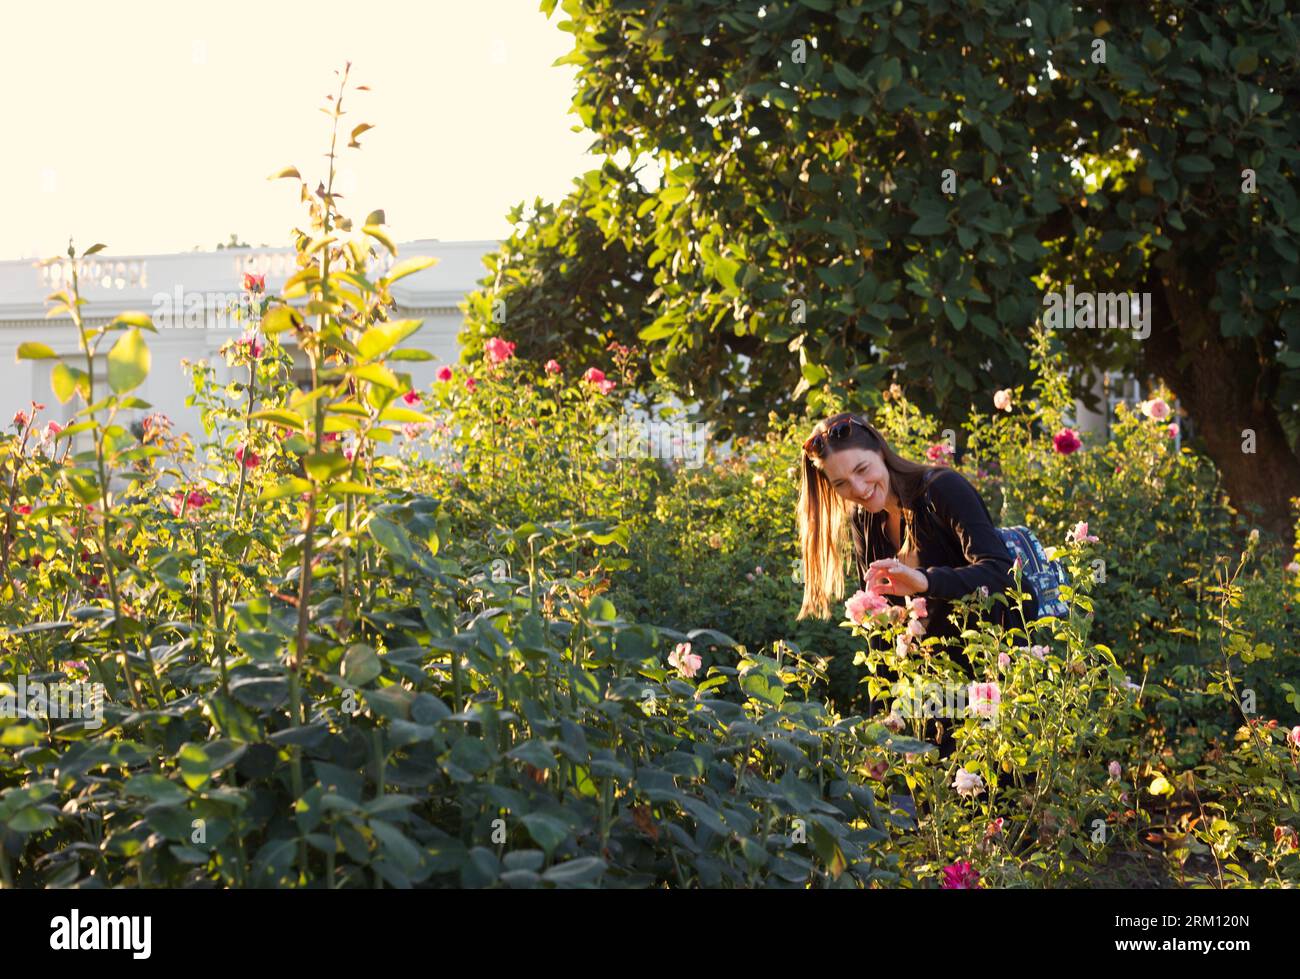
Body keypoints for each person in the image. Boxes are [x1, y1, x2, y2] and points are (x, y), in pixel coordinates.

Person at [795, 410, 1036, 757]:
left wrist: (924, 581)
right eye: (841, 484)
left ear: (880, 450)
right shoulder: (866, 521)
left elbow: (1000, 572)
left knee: (997, 804)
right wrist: (880, 730)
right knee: (931, 805)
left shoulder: (942, 489)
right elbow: (882, 627)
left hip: (991, 683)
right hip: (929, 696)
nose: (859, 490)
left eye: (862, 470)